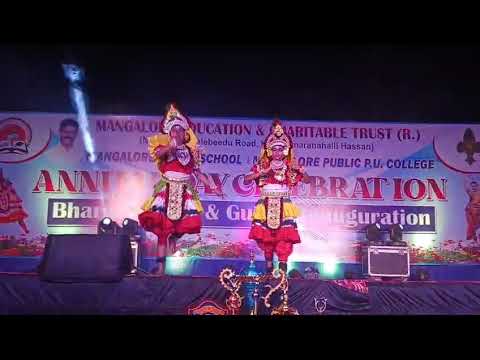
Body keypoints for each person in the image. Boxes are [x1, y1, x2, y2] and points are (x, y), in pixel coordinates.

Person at [138, 104, 223, 275]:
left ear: (186, 134)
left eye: (180, 131)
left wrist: (213, 187)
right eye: (173, 131)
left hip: (184, 193)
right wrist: (171, 147)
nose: (176, 133)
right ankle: (161, 268)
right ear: (169, 133)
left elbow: (198, 173)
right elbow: (159, 153)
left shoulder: (192, 153)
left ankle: (171, 266)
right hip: (167, 192)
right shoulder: (165, 149)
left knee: (177, 231)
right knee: (163, 232)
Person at [244, 118, 310, 274]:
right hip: (266, 205)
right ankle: (268, 275)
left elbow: (307, 180)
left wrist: (301, 170)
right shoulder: (262, 166)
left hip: (284, 206)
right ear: (269, 151)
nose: (278, 153)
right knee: (267, 241)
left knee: (284, 240)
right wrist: (263, 172)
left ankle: (282, 278)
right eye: (275, 149)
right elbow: (246, 179)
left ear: (285, 151)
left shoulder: (289, 167)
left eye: (281, 149)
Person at [465, 177, 480, 242]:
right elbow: (470, 200)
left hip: (477, 212)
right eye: (472, 186)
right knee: (471, 225)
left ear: (477, 186)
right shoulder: (471, 192)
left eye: (475, 186)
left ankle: (474, 238)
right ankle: (473, 238)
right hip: (470, 211)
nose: (473, 188)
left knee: (476, 225)